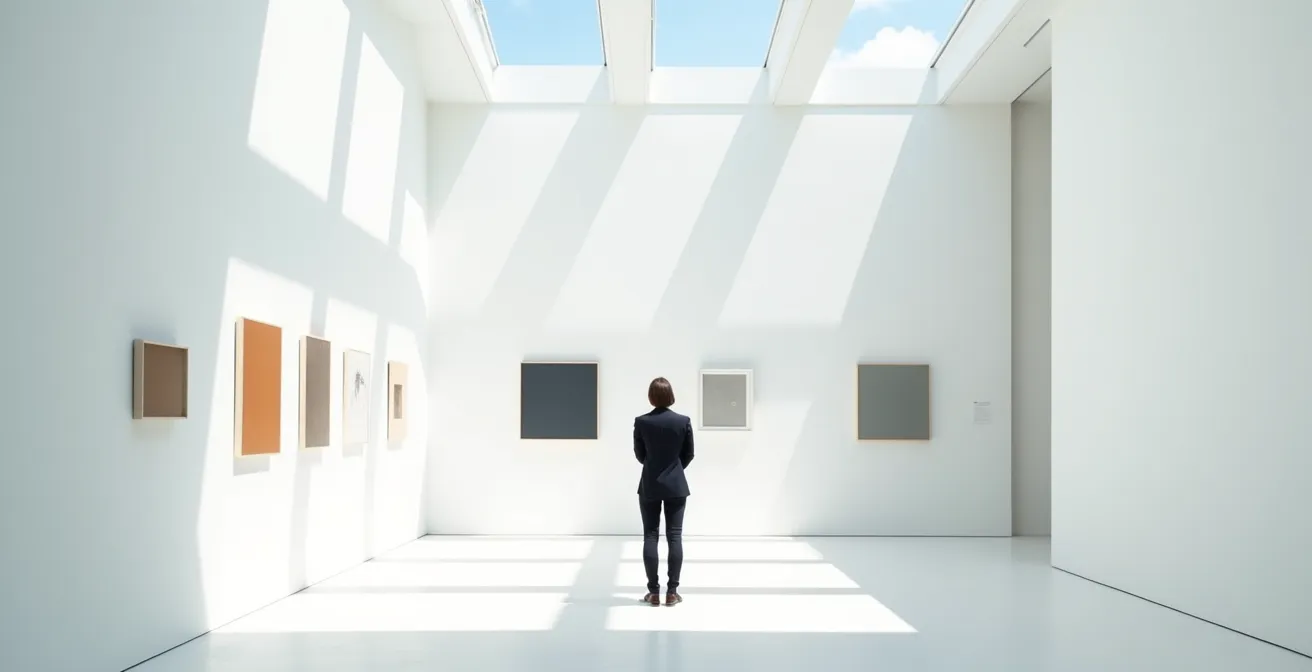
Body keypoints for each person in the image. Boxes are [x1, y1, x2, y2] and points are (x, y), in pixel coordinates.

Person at [632, 376, 694, 606]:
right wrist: (675, 469)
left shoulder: (641, 422)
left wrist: (654, 467)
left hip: (649, 484)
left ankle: (654, 592)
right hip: (677, 485)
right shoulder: (683, 421)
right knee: (674, 536)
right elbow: (689, 454)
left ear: (651, 396)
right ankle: (672, 592)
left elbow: (640, 455)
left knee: (650, 535)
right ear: (670, 395)